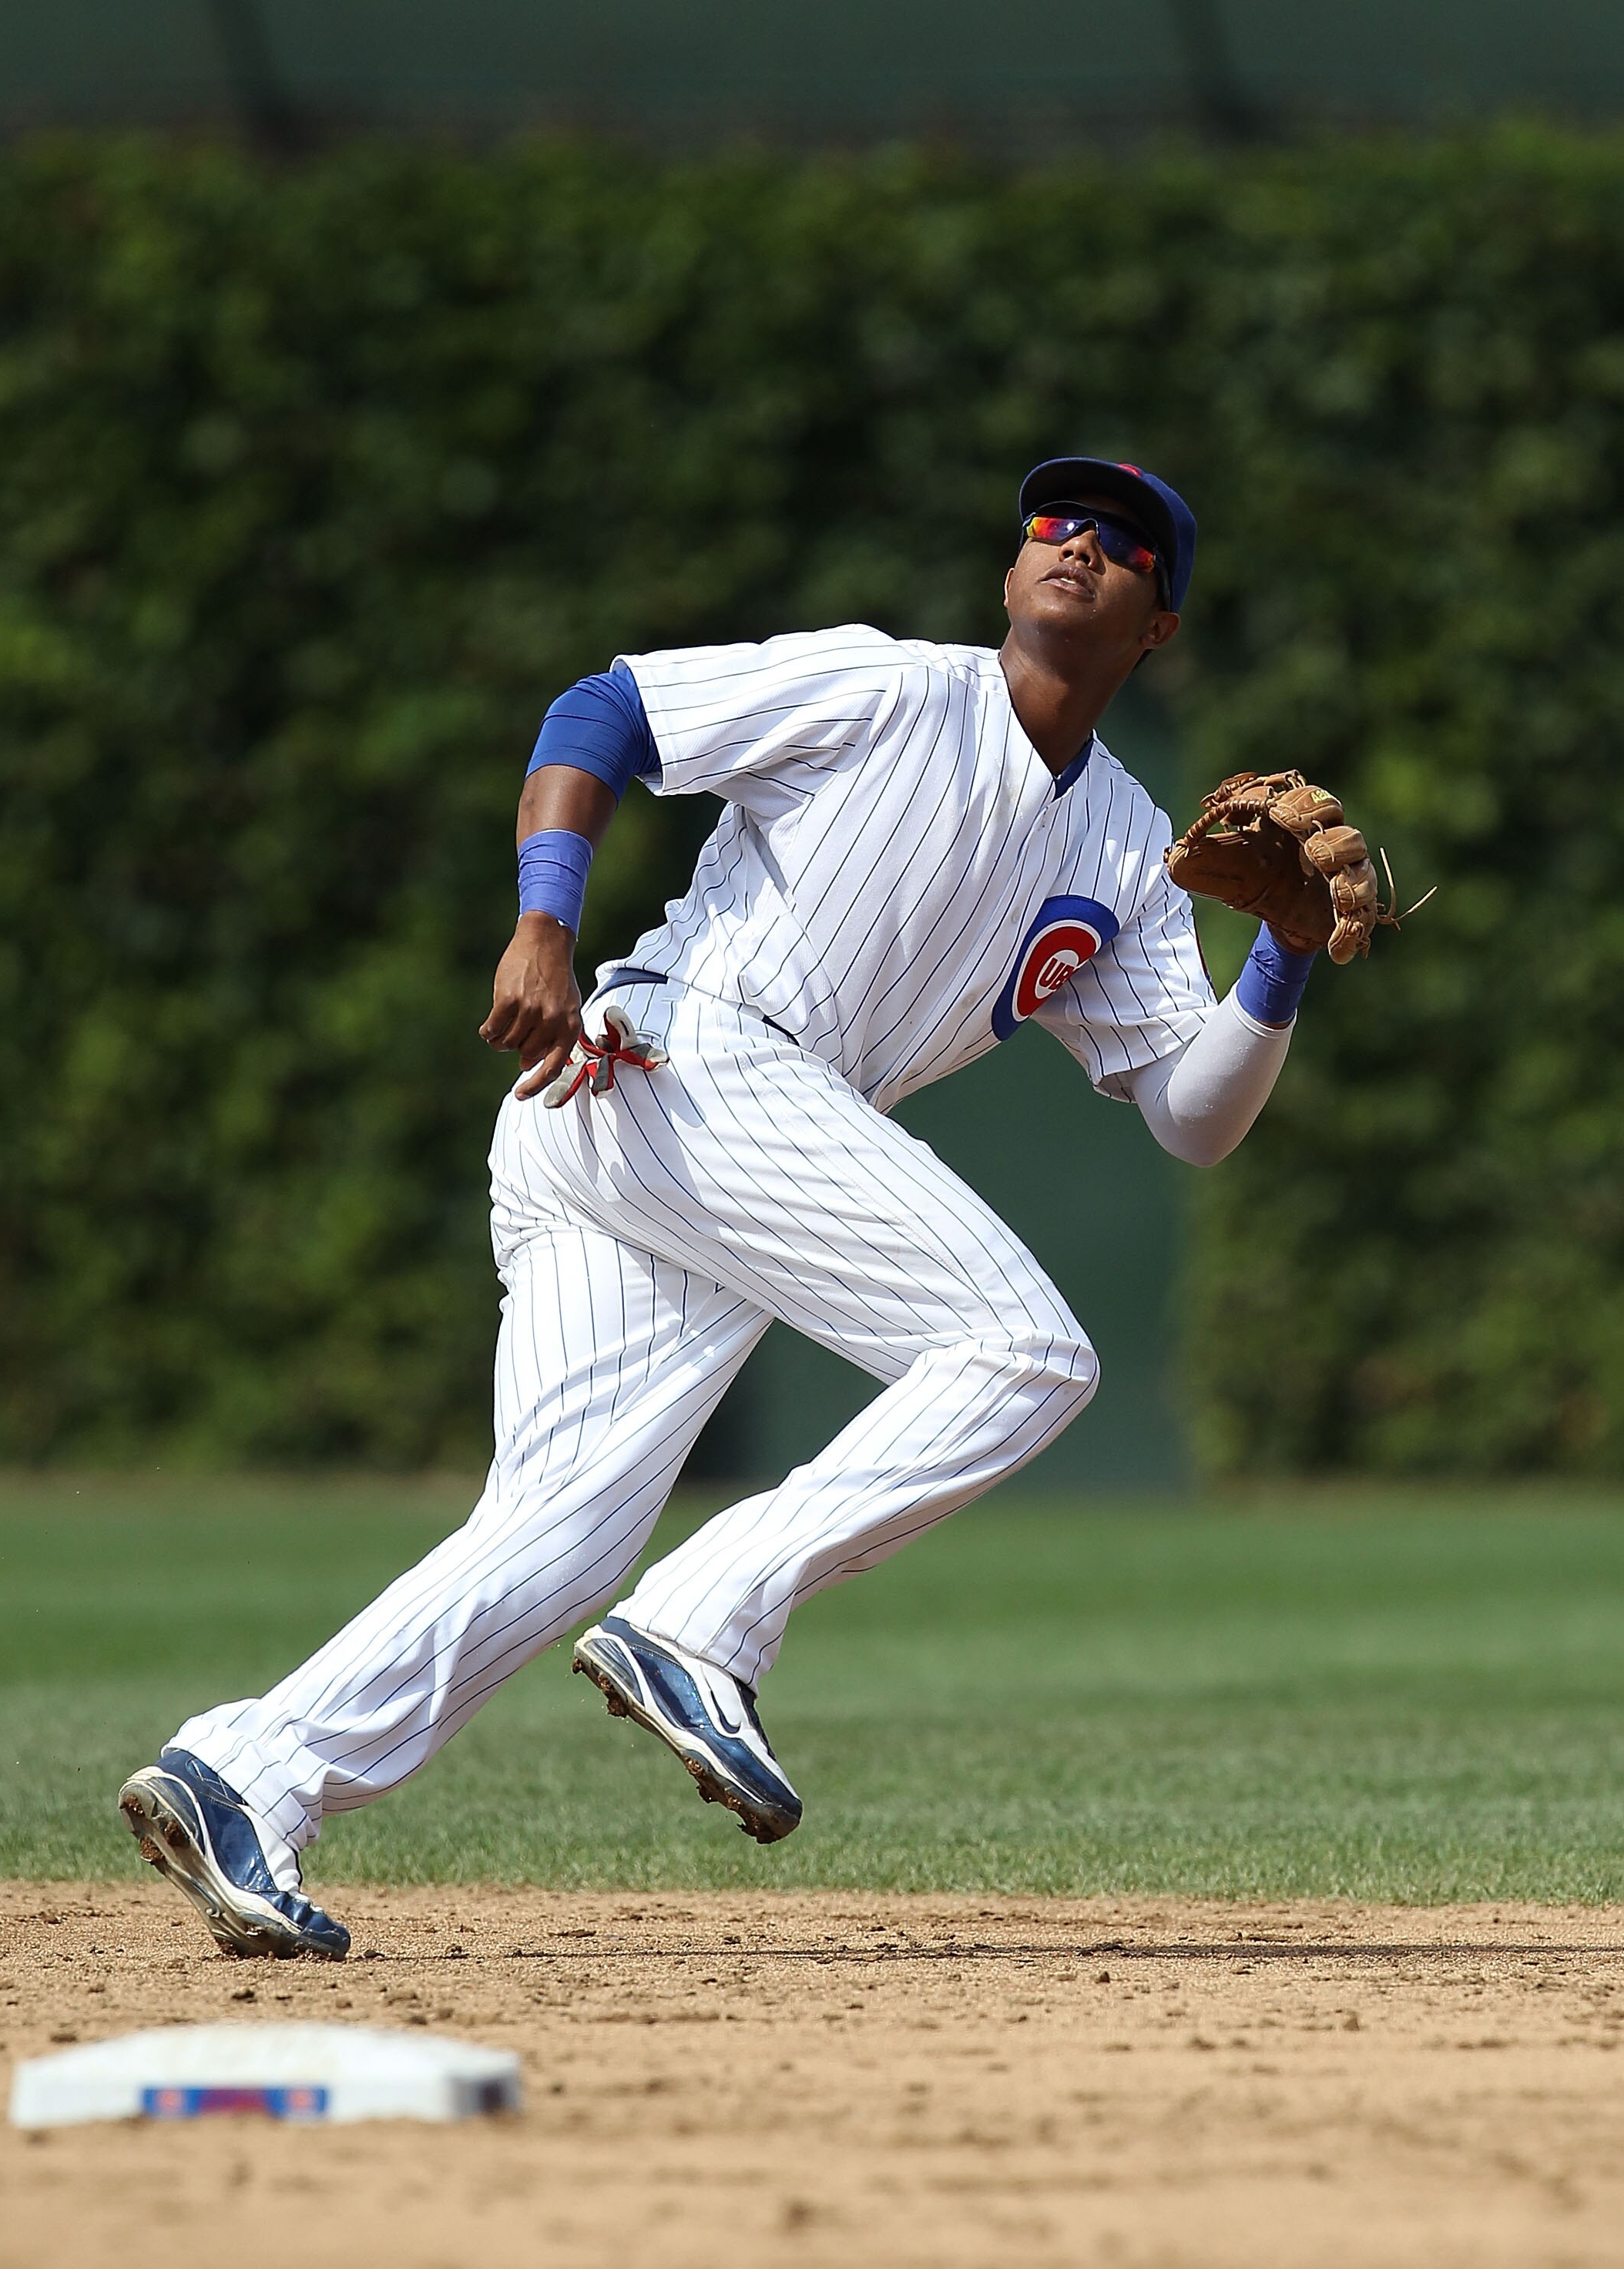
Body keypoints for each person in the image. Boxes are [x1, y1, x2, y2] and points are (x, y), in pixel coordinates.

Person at [119, 457, 1326, 1959]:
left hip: (689, 1135)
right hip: (687, 1053)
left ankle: (251, 1772)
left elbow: (1191, 1119)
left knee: (557, 1534)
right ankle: (710, 1620)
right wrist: (540, 920)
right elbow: (600, 715)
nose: (1076, 542)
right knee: (1024, 1351)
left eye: (1124, 541)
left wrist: (1275, 954)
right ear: (1008, 567)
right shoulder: (884, 689)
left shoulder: (1130, 858)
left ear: (1155, 625)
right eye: (1051, 521)